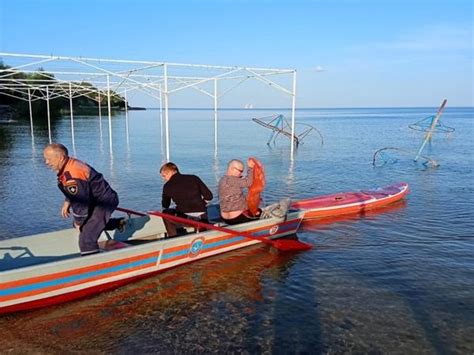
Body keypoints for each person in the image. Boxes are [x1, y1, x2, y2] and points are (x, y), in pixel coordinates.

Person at [43, 143, 121, 256]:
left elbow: (81, 204)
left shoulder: (73, 173)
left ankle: (93, 266)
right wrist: (67, 202)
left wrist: (79, 222)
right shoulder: (69, 165)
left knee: (86, 239)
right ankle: (117, 223)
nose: (46, 162)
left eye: (49, 159)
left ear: (60, 158)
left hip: (104, 202)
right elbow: (76, 191)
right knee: (81, 224)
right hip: (93, 200)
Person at [218, 158, 259, 225]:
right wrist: (250, 168)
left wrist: (239, 178)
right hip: (239, 217)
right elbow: (249, 182)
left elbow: (234, 182)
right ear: (232, 169)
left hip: (225, 218)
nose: (241, 173)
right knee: (259, 212)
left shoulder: (222, 180)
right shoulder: (233, 180)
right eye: (240, 171)